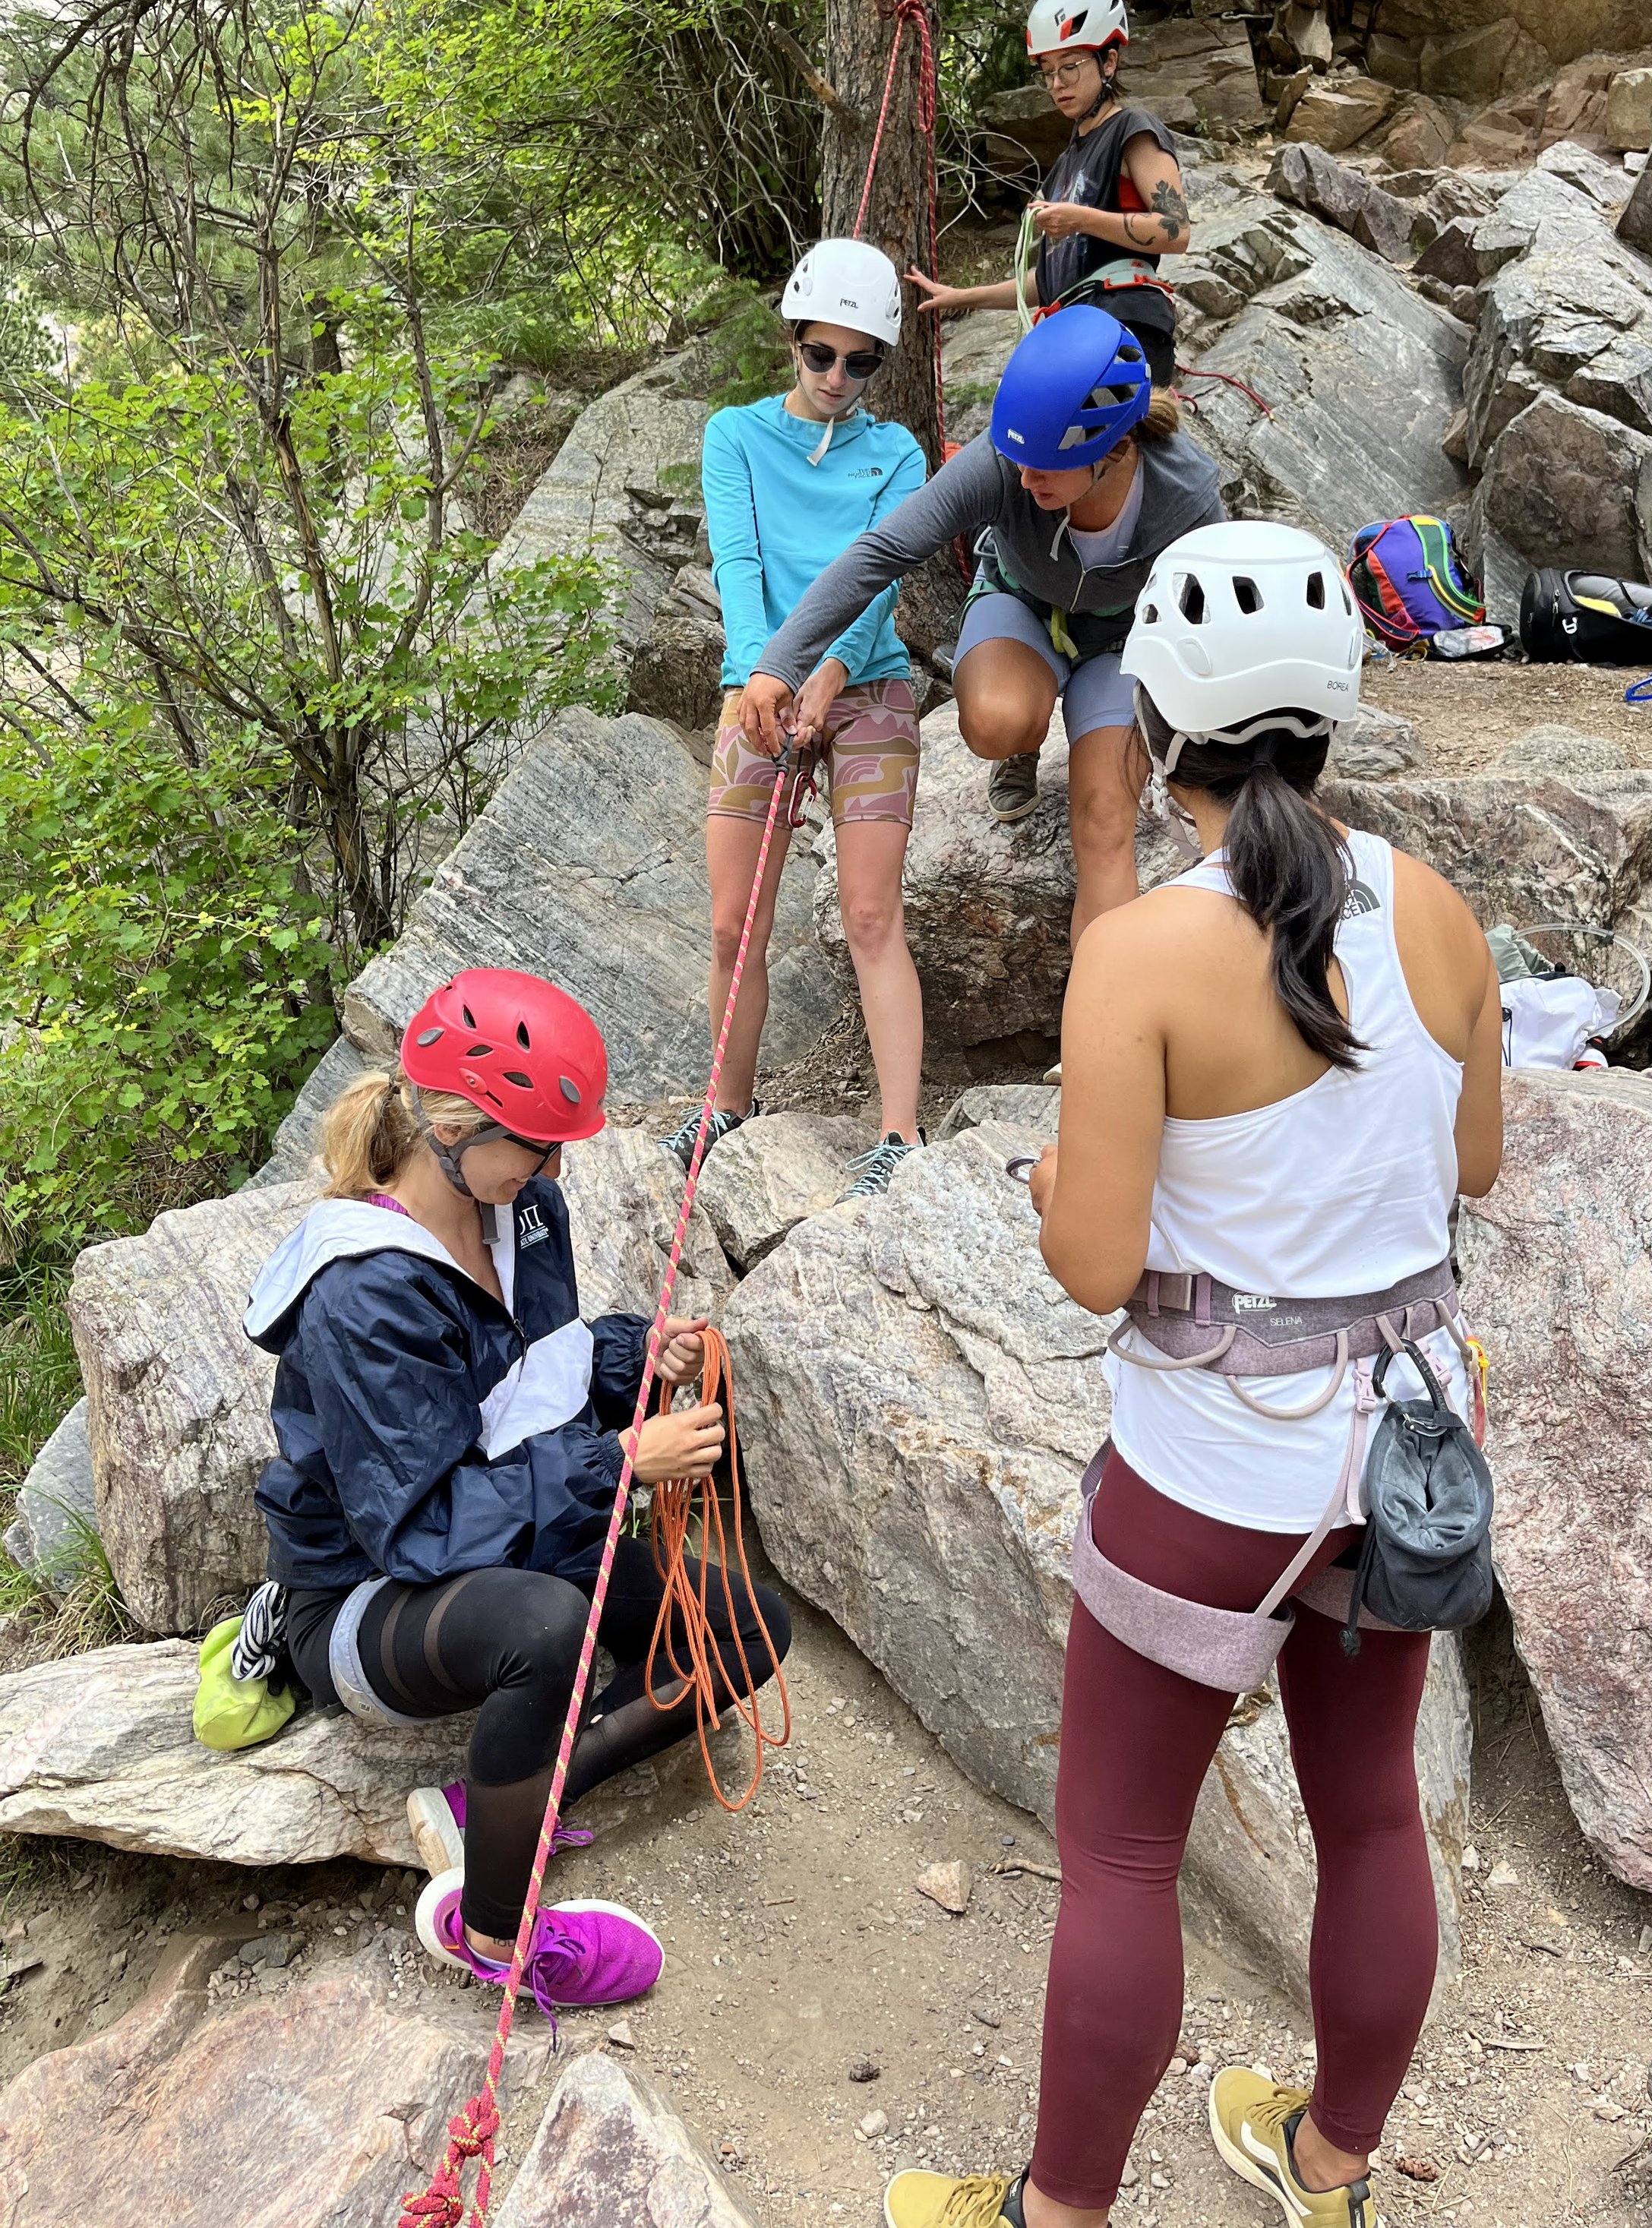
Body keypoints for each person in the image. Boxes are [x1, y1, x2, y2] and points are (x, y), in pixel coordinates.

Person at [883, 524, 1503, 2228]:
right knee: (1369, 1817)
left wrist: (1056, 1185)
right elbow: (1471, 1162)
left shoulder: (1146, 948)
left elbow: (1094, 1263)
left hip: (1220, 1464)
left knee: (1122, 1848)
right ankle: (1331, 2166)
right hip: (1399, 1450)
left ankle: (1058, 2211)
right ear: (1332, 708)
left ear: (1154, 723)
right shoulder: (1436, 910)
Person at [247, 967, 792, 2012]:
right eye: (537, 1144)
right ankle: (492, 1933)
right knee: (546, 1629)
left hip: (508, 1531)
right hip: (366, 1592)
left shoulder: (523, 1207)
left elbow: (537, 1377)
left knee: (746, 1627)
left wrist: (637, 1358)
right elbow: (419, 1529)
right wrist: (620, 1464)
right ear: (453, 1129)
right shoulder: (365, 1293)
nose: (555, 1165)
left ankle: (497, 1805)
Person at [738, 305, 1224, 937]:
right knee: (998, 719)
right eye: (1018, 460)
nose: (1023, 479)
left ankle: (1107, 994)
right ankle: (1021, 745)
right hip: (1020, 601)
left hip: (1121, 642)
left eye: (1044, 466)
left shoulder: (1185, 497)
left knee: (1107, 823)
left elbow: (1213, 627)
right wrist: (780, 663)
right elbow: (883, 551)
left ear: (1115, 448)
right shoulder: (1005, 458)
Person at [667, 236, 930, 1200]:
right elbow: (738, 564)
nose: (836, 378)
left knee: (869, 913)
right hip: (759, 684)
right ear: (793, 341)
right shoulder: (735, 436)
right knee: (734, 922)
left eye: (861, 363)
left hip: (867, 684)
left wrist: (826, 673)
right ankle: (725, 1109)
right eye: (821, 354)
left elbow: (881, 575)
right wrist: (763, 677)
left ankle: (899, 1134)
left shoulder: (896, 454)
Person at [908, 0, 1191, 390]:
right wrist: (962, 297)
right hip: (1075, 329)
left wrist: (1081, 220)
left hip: (1126, 325)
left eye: (1070, 67)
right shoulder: (1065, 165)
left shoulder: (1133, 129)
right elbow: (1051, 279)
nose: (1057, 84)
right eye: (1048, 71)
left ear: (1108, 62)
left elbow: (1176, 231)